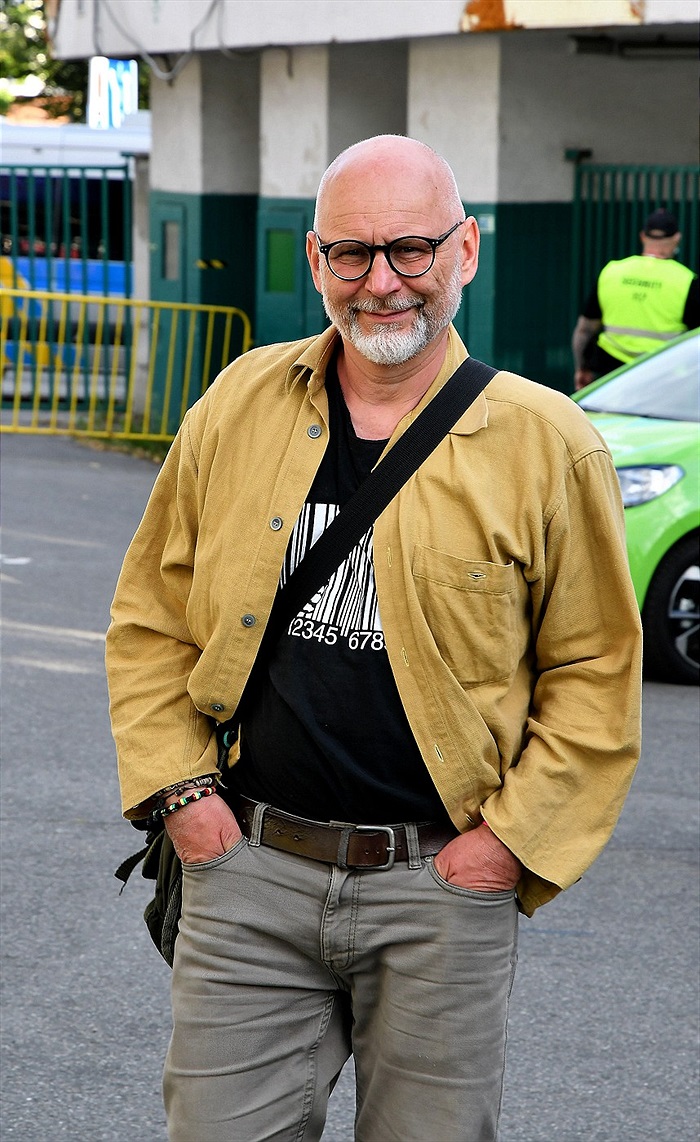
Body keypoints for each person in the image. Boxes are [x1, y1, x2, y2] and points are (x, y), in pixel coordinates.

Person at [106, 135, 642, 1142]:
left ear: (466, 251)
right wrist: (183, 797)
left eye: (410, 249)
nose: (382, 282)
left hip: (439, 887)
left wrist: (503, 848)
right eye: (350, 254)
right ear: (314, 260)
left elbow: (595, 671)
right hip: (249, 868)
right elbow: (149, 615)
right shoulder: (237, 404)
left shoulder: (547, 442)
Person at [572, 207, 700, 390]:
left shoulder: (612, 272)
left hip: (612, 374)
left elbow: (584, 331)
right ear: (677, 238)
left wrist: (582, 368)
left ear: (642, 236)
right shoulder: (686, 281)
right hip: (665, 379)